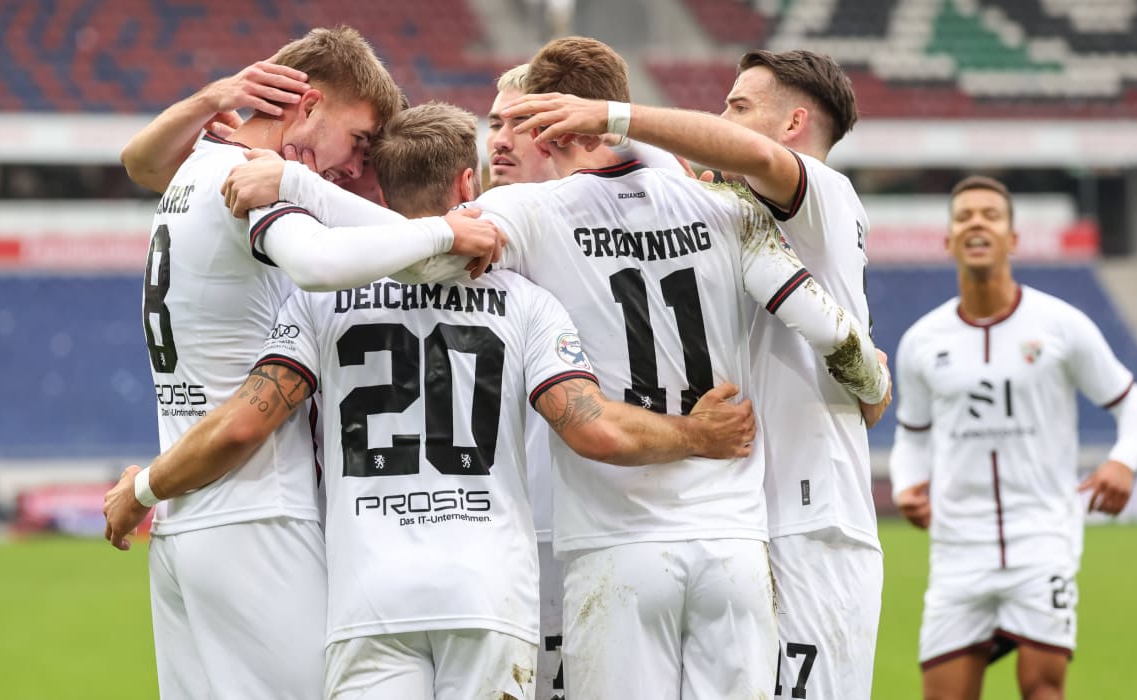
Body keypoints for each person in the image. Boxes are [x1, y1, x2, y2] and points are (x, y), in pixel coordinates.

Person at [226, 36, 890, 700]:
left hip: (615, 544)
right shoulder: (724, 206)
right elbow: (828, 328)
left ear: (553, 120)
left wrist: (298, 188)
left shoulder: (531, 213)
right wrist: (873, 382)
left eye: (520, 120)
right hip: (733, 544)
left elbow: (429, 245)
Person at [115, 101, 757, 700]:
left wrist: (146, 487)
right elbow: (595, 431)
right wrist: (697, 434)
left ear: (380, 189)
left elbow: (243, 420)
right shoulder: (526, 303)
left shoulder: (321, 303)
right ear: (469, 183)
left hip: (370, 601)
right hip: (488, 596)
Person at [101, 27, 504, 700]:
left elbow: (139, 163)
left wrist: (212, 100)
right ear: (308, 104)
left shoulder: (198, 163)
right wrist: (443, 231)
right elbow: (319, 263)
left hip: (184, 522)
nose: (351, 166)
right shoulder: (255, 184)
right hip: (258, 512)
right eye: (359, 140)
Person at [501, 48, 890, 699]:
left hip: (810, 517)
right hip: (747, 518)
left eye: (738, 107)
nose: (719, 120)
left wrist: (610, 115)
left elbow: (744, 157)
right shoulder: (731, 211)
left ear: (793, 123)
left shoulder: (818, 190)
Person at [888, 175, 1137, 700]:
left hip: (1041, 541)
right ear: (948, 241)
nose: (977, 224)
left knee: (1042, 689)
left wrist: (1122, 461)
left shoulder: (1061, 326)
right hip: (958, 551)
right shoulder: (922, 341)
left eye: (990, 215)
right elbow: (912, 435)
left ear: (1012, 239)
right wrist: (906, 484)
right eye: (964, 216)